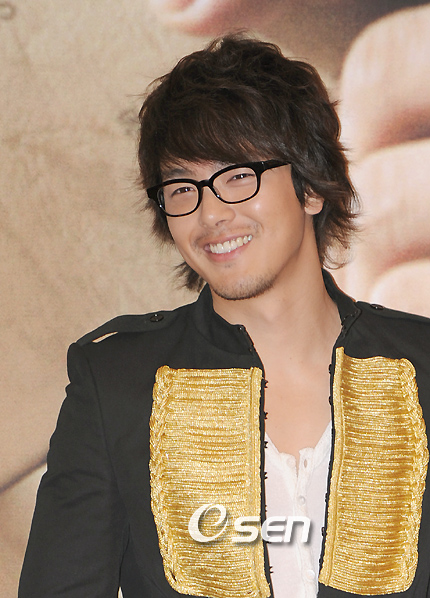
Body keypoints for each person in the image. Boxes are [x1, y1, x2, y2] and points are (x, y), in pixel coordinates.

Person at [18, 35, 430, 598]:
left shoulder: (421, 366)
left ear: (310, 187)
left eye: (238, 175)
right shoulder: (117, 382)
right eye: (182, 187)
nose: (210, 213)